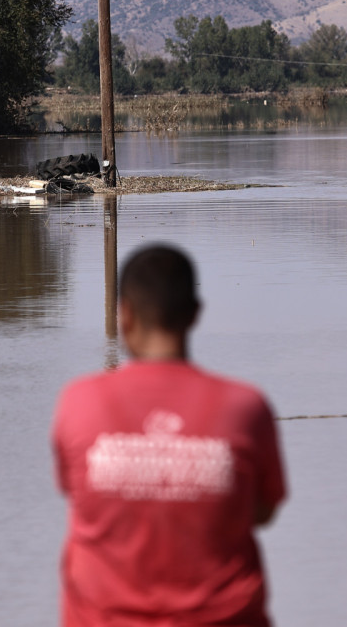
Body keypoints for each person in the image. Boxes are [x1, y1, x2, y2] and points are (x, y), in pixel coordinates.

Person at [52, 245, 287, 627]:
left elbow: (78, 496)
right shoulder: (246, 408)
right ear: (195, 314)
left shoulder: (78, 404)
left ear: (124, 314)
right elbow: (262, 511)